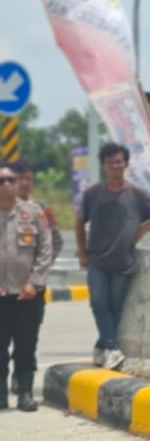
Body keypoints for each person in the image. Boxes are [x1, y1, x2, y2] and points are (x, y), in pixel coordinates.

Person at [75, 143, 150, 369]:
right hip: (97, 260)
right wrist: (82, 252)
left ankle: (103, 346)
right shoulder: (93, 193)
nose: (115, 166)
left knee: (115, 307)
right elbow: (79, 221)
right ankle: (111, 347)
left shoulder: (136, 194)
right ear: (104, 165)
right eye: (110, 162)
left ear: (126, 164)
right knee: (99, 303)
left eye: (119, 161)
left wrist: (143, 230)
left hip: (123, 261)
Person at [0, 164, 53, 411]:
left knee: (25, 346)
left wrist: (35, 282)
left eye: (10, 180)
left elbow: (45, 249)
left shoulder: (32, 213)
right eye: (1, 181)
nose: (6, 185)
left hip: (27, 294)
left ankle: (25, 393)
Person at [11, 161, 63, 398]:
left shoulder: (41, 210)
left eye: (28, 179)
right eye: (19, 178)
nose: (25, 183)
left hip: (32, 288)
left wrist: (38, 274)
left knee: (28, 338)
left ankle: (22, 382)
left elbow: (55, 242)